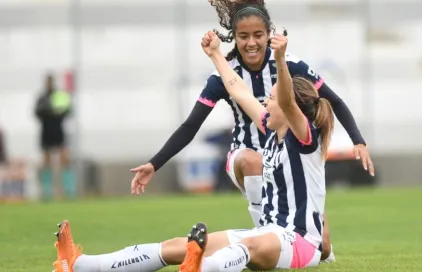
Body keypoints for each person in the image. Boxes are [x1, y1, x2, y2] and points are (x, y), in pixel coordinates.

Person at [51, 31, 333, 272]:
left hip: (299, 243)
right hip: (268, 234)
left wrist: (280, 59)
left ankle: (202, 267)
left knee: (248, 245)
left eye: (270, 99)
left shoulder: (303, 138)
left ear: (286, 107)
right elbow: (239, 91)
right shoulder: (271, 131)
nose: (265, 102)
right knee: (178, 246)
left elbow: (284, 99)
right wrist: (216, 56)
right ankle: (79, 264)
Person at [131, 0, 373, 260]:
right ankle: (263, 239)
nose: (251, 43)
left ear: (269, 34)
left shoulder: (290, 64)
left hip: (289, 160)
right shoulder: (223, 77)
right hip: (244, 156)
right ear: (233, 38)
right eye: (243, 36)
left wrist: (358, 140)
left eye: (258, 35)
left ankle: (277, 243)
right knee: (252, 160)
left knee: (322, 249)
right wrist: (155, 164)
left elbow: (333, 100)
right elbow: (191, 126)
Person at [34, 73, 75, 200]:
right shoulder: (42, 97)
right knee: (46, 161)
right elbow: (37, 112)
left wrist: (56, 112)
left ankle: (68, 191)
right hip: (46, 132)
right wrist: (49, 111)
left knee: (64, 159)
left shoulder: (60, 96)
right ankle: (47, 192)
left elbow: (68, 110)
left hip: (58, 131)